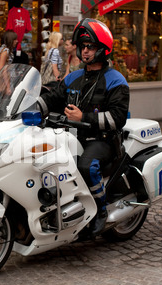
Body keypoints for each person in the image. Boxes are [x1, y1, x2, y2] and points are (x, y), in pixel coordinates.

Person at [37, 19, 129, 238]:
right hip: (70, 136)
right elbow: (53, 97)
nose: (85, 51)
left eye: (91, 47)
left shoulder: (116, 80)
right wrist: (30, 108)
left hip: (102, 140)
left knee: (87, 167)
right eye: (83, 46)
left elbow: (118, 118)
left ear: (102, 50)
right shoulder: (73, 77)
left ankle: (100, 210)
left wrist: (84, 116)